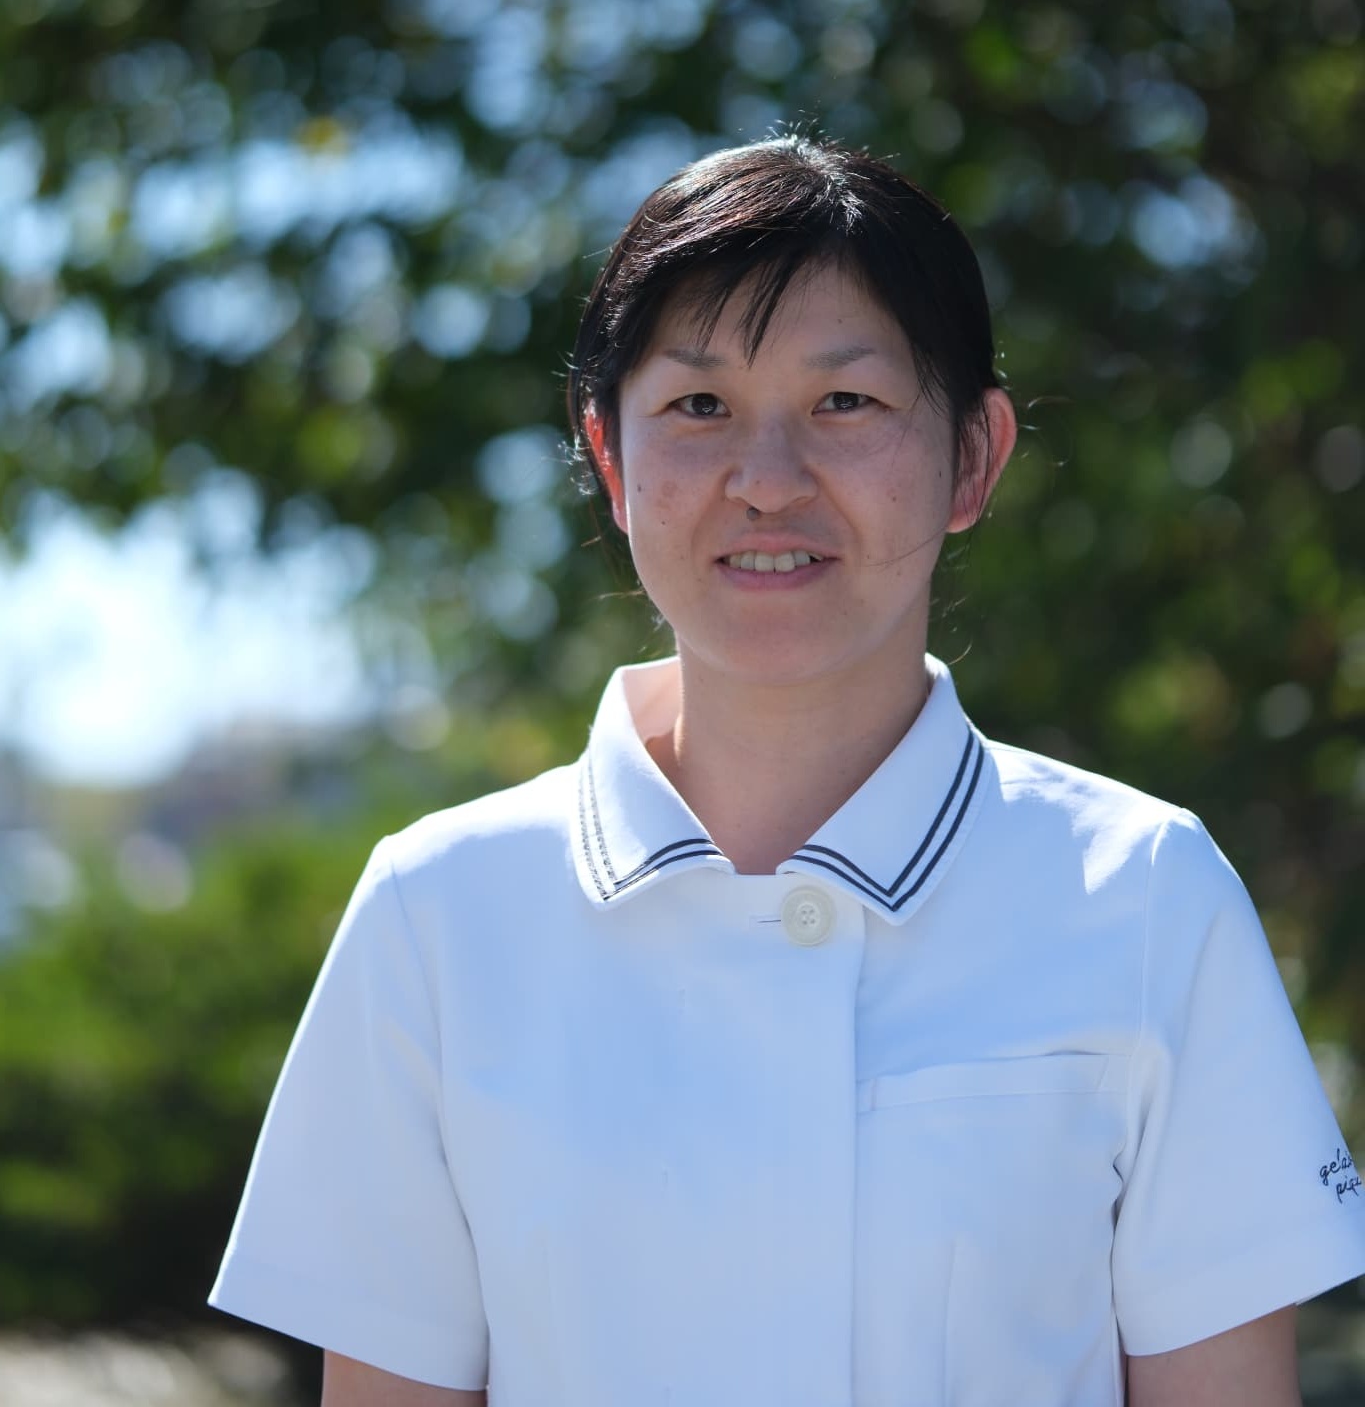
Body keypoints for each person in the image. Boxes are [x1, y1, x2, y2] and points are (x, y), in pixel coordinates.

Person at [209, 133, 1365, 1407]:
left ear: (974, 456)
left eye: (845, 402)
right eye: (698, 406)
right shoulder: (437, 914)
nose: (767, 482)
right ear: (611, 460)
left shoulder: (1145, 894)